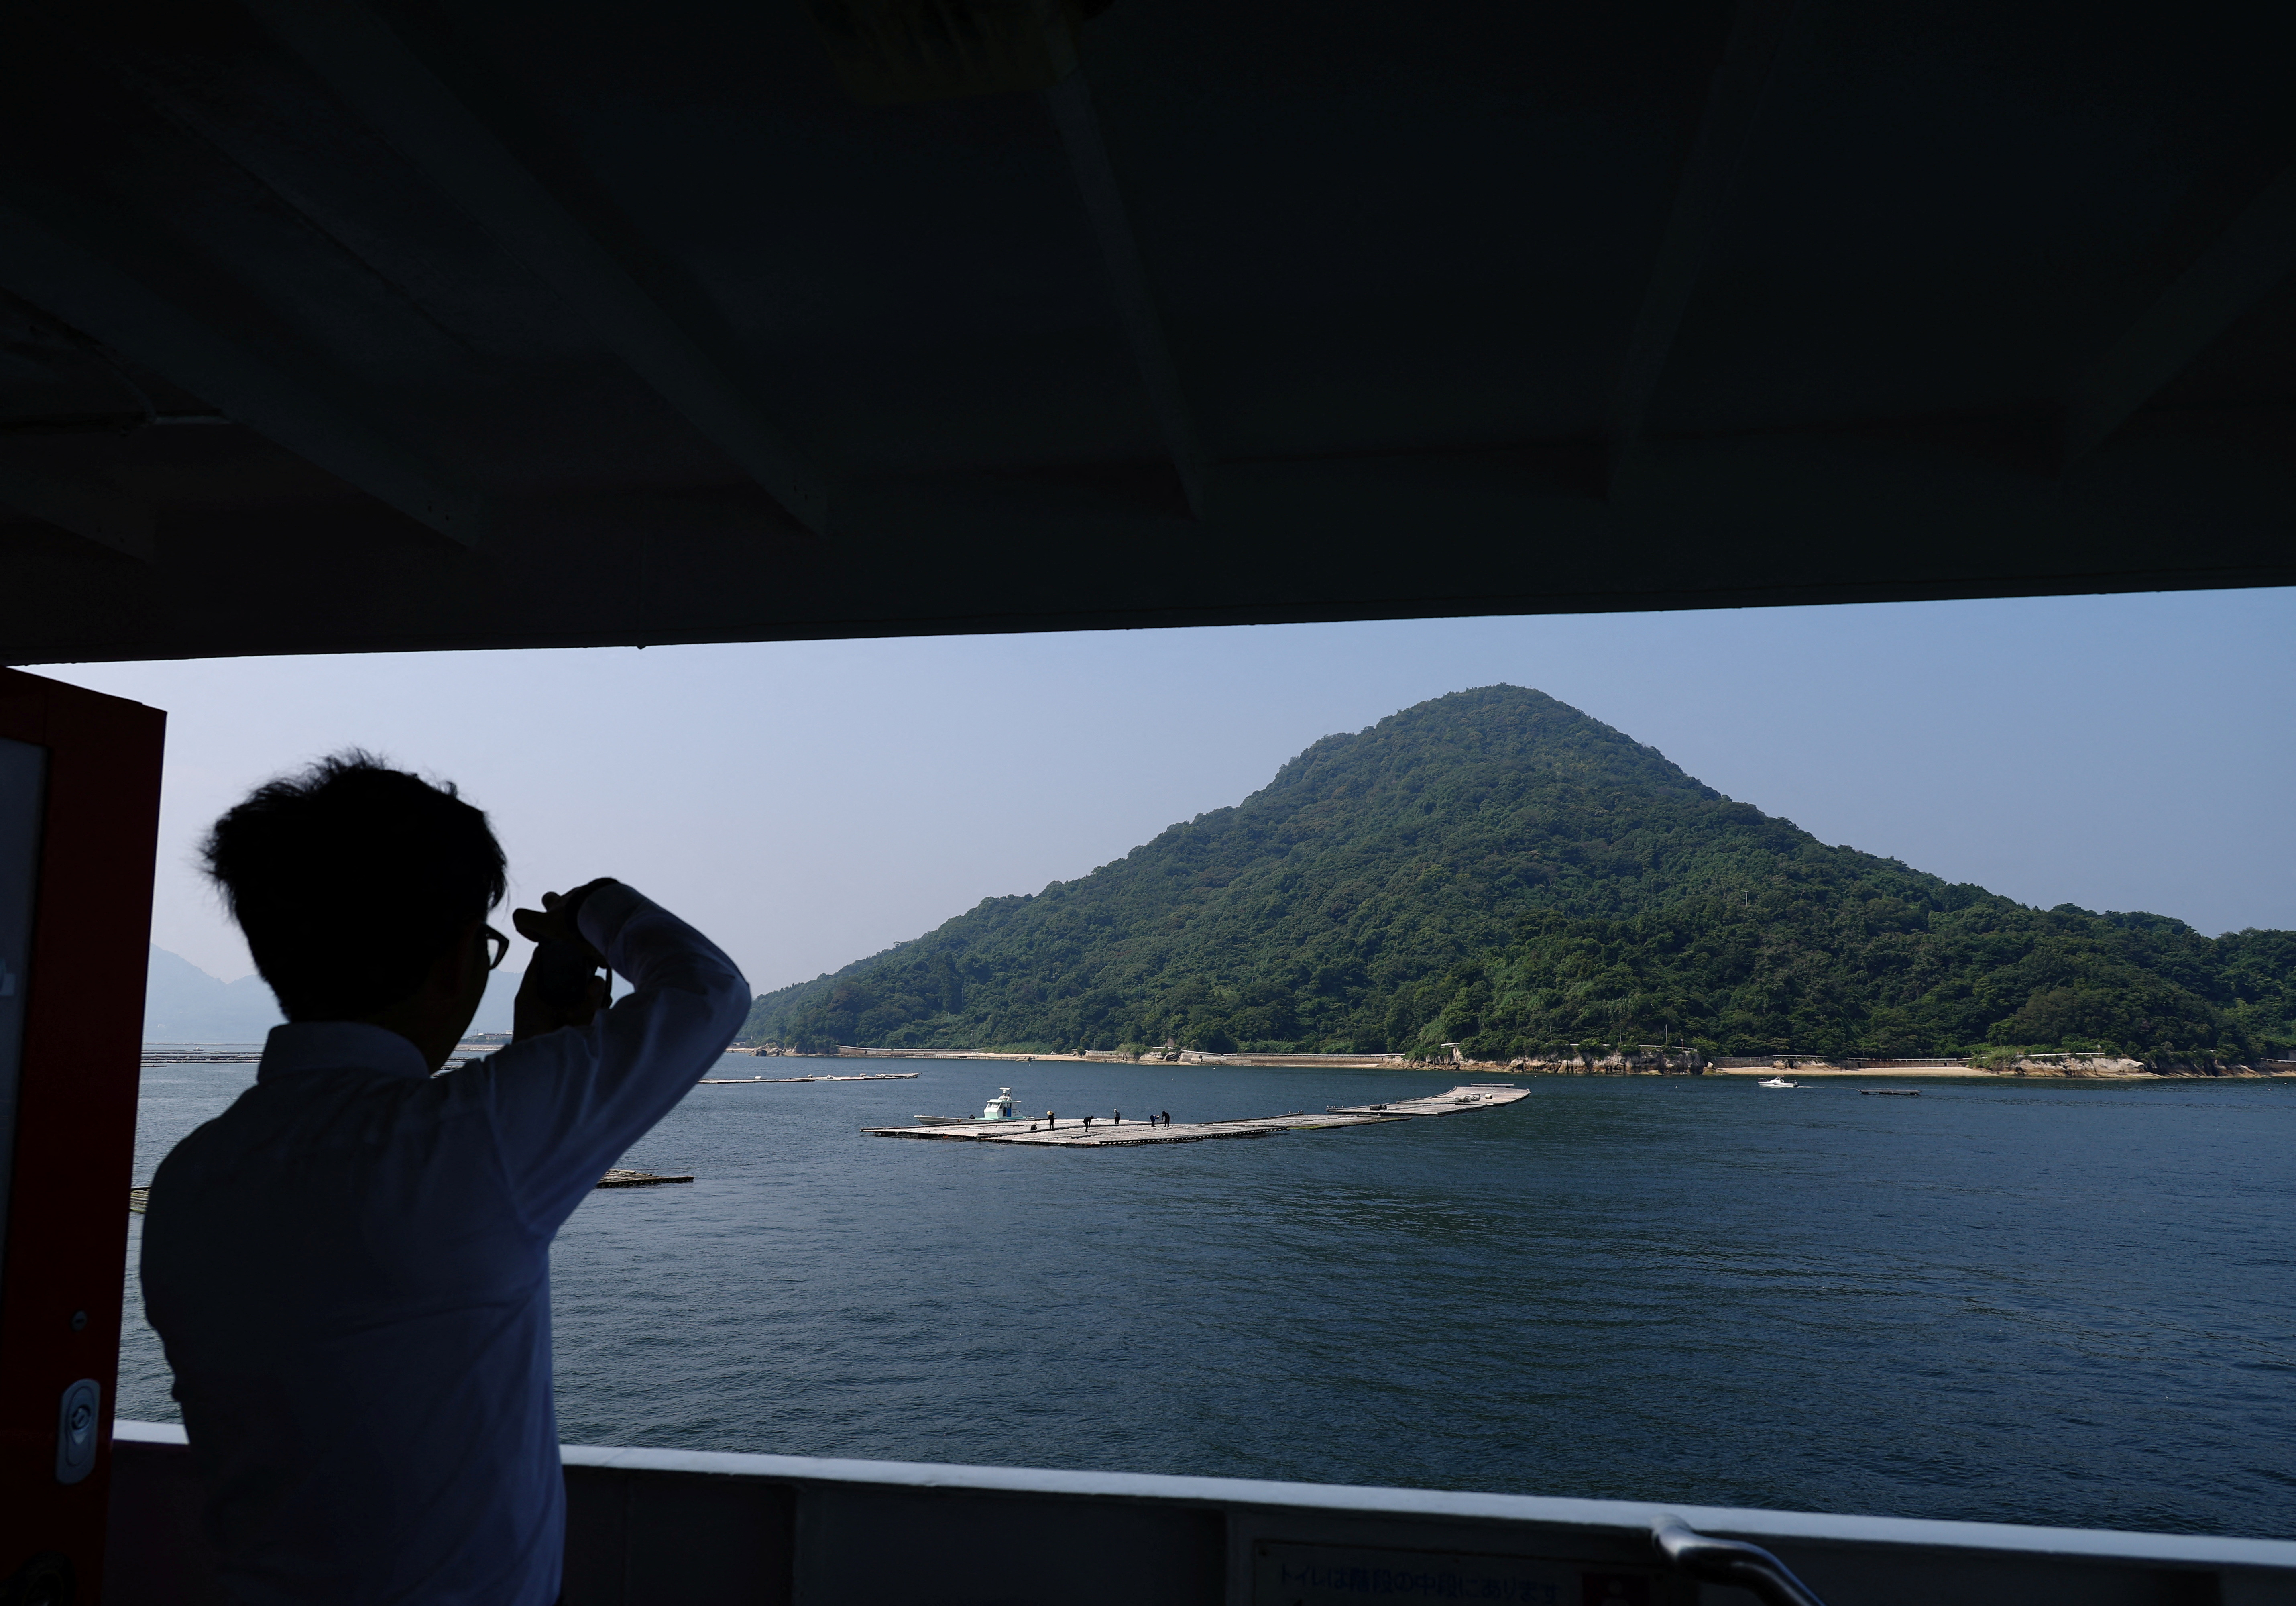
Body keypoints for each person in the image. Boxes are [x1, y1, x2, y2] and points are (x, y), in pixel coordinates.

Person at [140, 753, 748, 1605]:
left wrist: (536, 1052)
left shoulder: (191, 1178)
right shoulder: (471, 1143)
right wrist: (589, 911)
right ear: (458, 961)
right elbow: (708, 988)